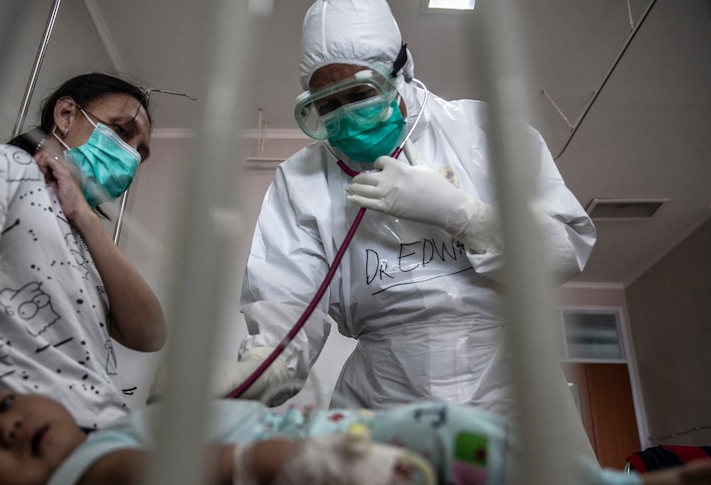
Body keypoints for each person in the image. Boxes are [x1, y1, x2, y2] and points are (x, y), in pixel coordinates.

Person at [226, 0, 594, 428]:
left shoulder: (485, 132)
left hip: (514, 394)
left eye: (361, 94)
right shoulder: (302, 179)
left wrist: (466, 215)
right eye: (327, 106)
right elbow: (286, 302)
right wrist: (264, 364)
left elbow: (565, 250)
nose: (346, 117)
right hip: (382, 397)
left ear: (401, 73)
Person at [0, 72, 167, 434]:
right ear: (66, 115)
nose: (131, 158)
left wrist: (85, 217)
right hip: (0, 437)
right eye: (122, 132)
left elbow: (149, 333)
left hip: (93, 437)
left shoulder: (86, 244)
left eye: (140, 152)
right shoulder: (4, 165)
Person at [0, 388, 711, 485]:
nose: (6, 423)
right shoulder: (94, 469)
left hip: (379, 430)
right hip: (365, 444)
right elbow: (206, 464)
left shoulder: (104, 430)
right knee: (491, 450)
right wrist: (318, 458)